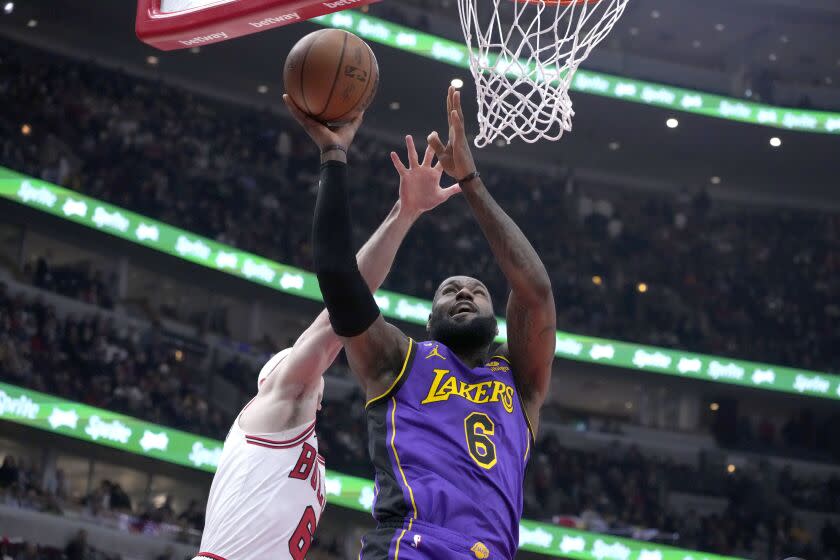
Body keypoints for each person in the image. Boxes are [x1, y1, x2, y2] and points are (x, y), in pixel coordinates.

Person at [290, 85, 555, 559]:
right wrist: (334, 156)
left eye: (477, 290)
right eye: (450, 291)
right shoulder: (399, 360)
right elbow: (337, 277)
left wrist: (470, 181)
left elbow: (535, 292)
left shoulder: (521, 382)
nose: (465, 294)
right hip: (412, 547)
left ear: (498, 322)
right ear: (430, 320)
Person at [195, 129, 461, 560]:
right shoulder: (280, 400)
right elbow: (340, 309)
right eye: (286, 361)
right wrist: (404, 212)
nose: (294, 363)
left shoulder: (299, 434)